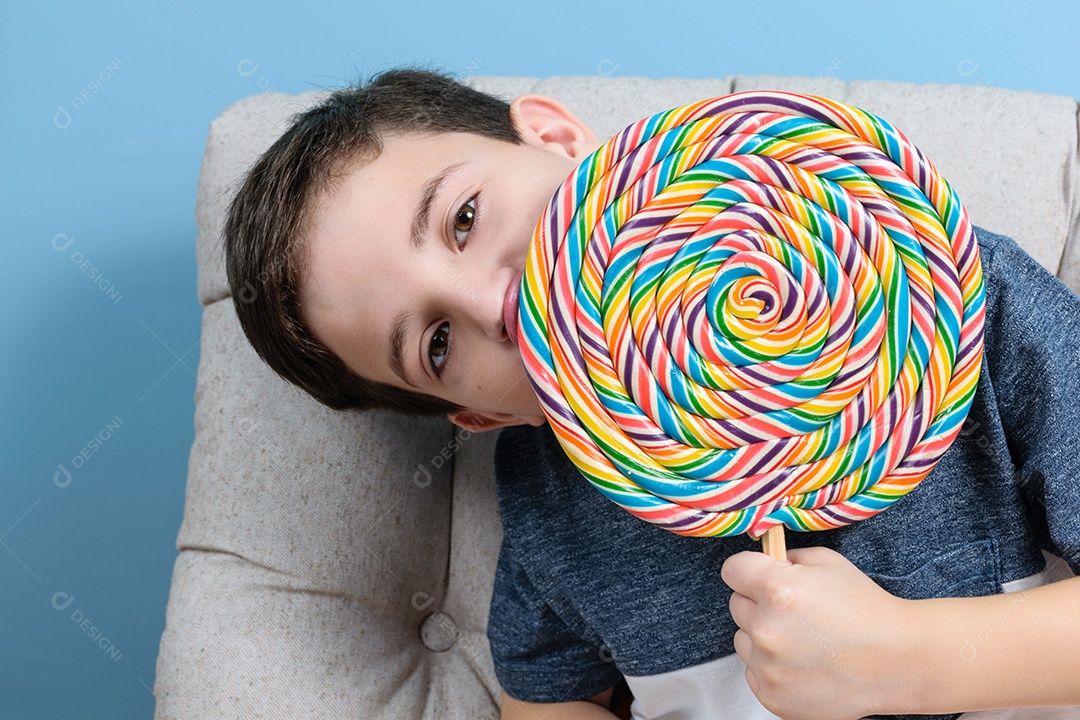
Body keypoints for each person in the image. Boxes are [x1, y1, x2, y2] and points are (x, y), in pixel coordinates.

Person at [223, 68, 1080, 719]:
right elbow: (548, 701)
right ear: (482, 416)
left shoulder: (943, 298)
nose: (494, 303)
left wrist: (915, 658)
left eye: (465, 219)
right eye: (436, 343)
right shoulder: (547, 503)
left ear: (560, 140)